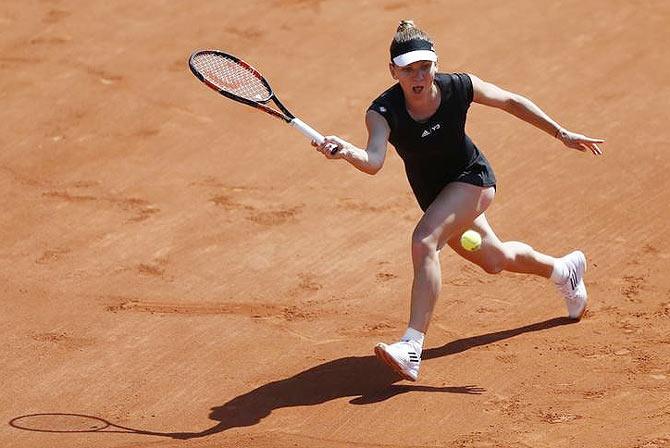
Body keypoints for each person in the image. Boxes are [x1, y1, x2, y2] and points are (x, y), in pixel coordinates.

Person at [313, 20, 604, 382]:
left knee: (424, 241)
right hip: (436, 197)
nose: (418, 76)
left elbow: (511, 100)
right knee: (495, 260)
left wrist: (561, 133)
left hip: (473, 180)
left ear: (436, 64)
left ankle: (411, 346)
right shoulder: (382, 112)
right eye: (408, 69)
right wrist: (345, 152)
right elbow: (373, 162)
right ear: (393, 71)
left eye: (425, 66)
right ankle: (563, 271)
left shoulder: (457, 87)